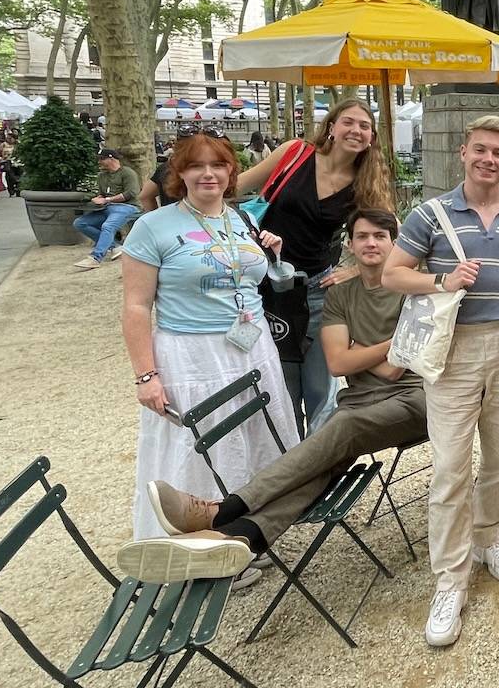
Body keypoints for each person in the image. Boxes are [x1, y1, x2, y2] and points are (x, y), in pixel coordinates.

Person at [115, 209, 428, 583]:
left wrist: (365, 349)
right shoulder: (340, 294)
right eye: (363, 236)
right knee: (324, 462)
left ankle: (224, 508)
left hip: (414, 400)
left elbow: (397, 368)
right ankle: (238, 536)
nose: (372, 243)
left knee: (342, 425)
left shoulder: (415, 290)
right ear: (349, 244)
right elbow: (338, 362)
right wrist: (386, 347)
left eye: (380, 236)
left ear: (395, 244)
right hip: (361, 404)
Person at [383, 115, 499, 648]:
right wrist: (442, 278)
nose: (489, 159)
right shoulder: (429, 213)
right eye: (480, 150)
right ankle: (450, 581)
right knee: (451, 468)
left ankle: (489, 537)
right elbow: (392, 274)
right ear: (463, 152)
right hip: (454, 350)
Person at [120, 132, 299, 588]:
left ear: (230, 173)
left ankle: (239, 536)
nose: (208, 174)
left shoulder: (237, 219)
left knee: (252, 440)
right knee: (202, 448)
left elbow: (264, 281)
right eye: (196, 166)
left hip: (251, 347)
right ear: (178, 174)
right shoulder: (154, 226)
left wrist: (272, 256)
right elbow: (136, 306)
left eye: (218, 166)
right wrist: (147, 375)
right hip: (193, 354)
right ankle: (193, 552)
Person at [239, 98, 394, 432]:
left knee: (320, 386)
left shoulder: (366, 179)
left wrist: (353, 269)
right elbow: (237, 186)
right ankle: (283, 460)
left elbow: (389, 232)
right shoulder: (296, 153)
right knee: (277, 379)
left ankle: (318, 470)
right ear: (332, 127)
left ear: (371, 137)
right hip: (262, 283)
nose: (356, 130)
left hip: (316, 286)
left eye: (365, 126)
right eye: (349, 122)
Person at [73, 149, 142, 270]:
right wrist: (98, 199)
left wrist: (107, 200)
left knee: (108, 226)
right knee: (80, 223)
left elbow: (131, 193)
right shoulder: (101, 176)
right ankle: (115, 246)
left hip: (128, 207)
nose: (99, 162)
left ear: (112, 159)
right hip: (106, 207)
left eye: (102, 159)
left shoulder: (127, 173)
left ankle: (95, 258)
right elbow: (102, 194)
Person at [141, 126, 202, 210]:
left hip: (169, 219)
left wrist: (155, 217)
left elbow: (145, 196)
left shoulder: (165, 167)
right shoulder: (208, 170)